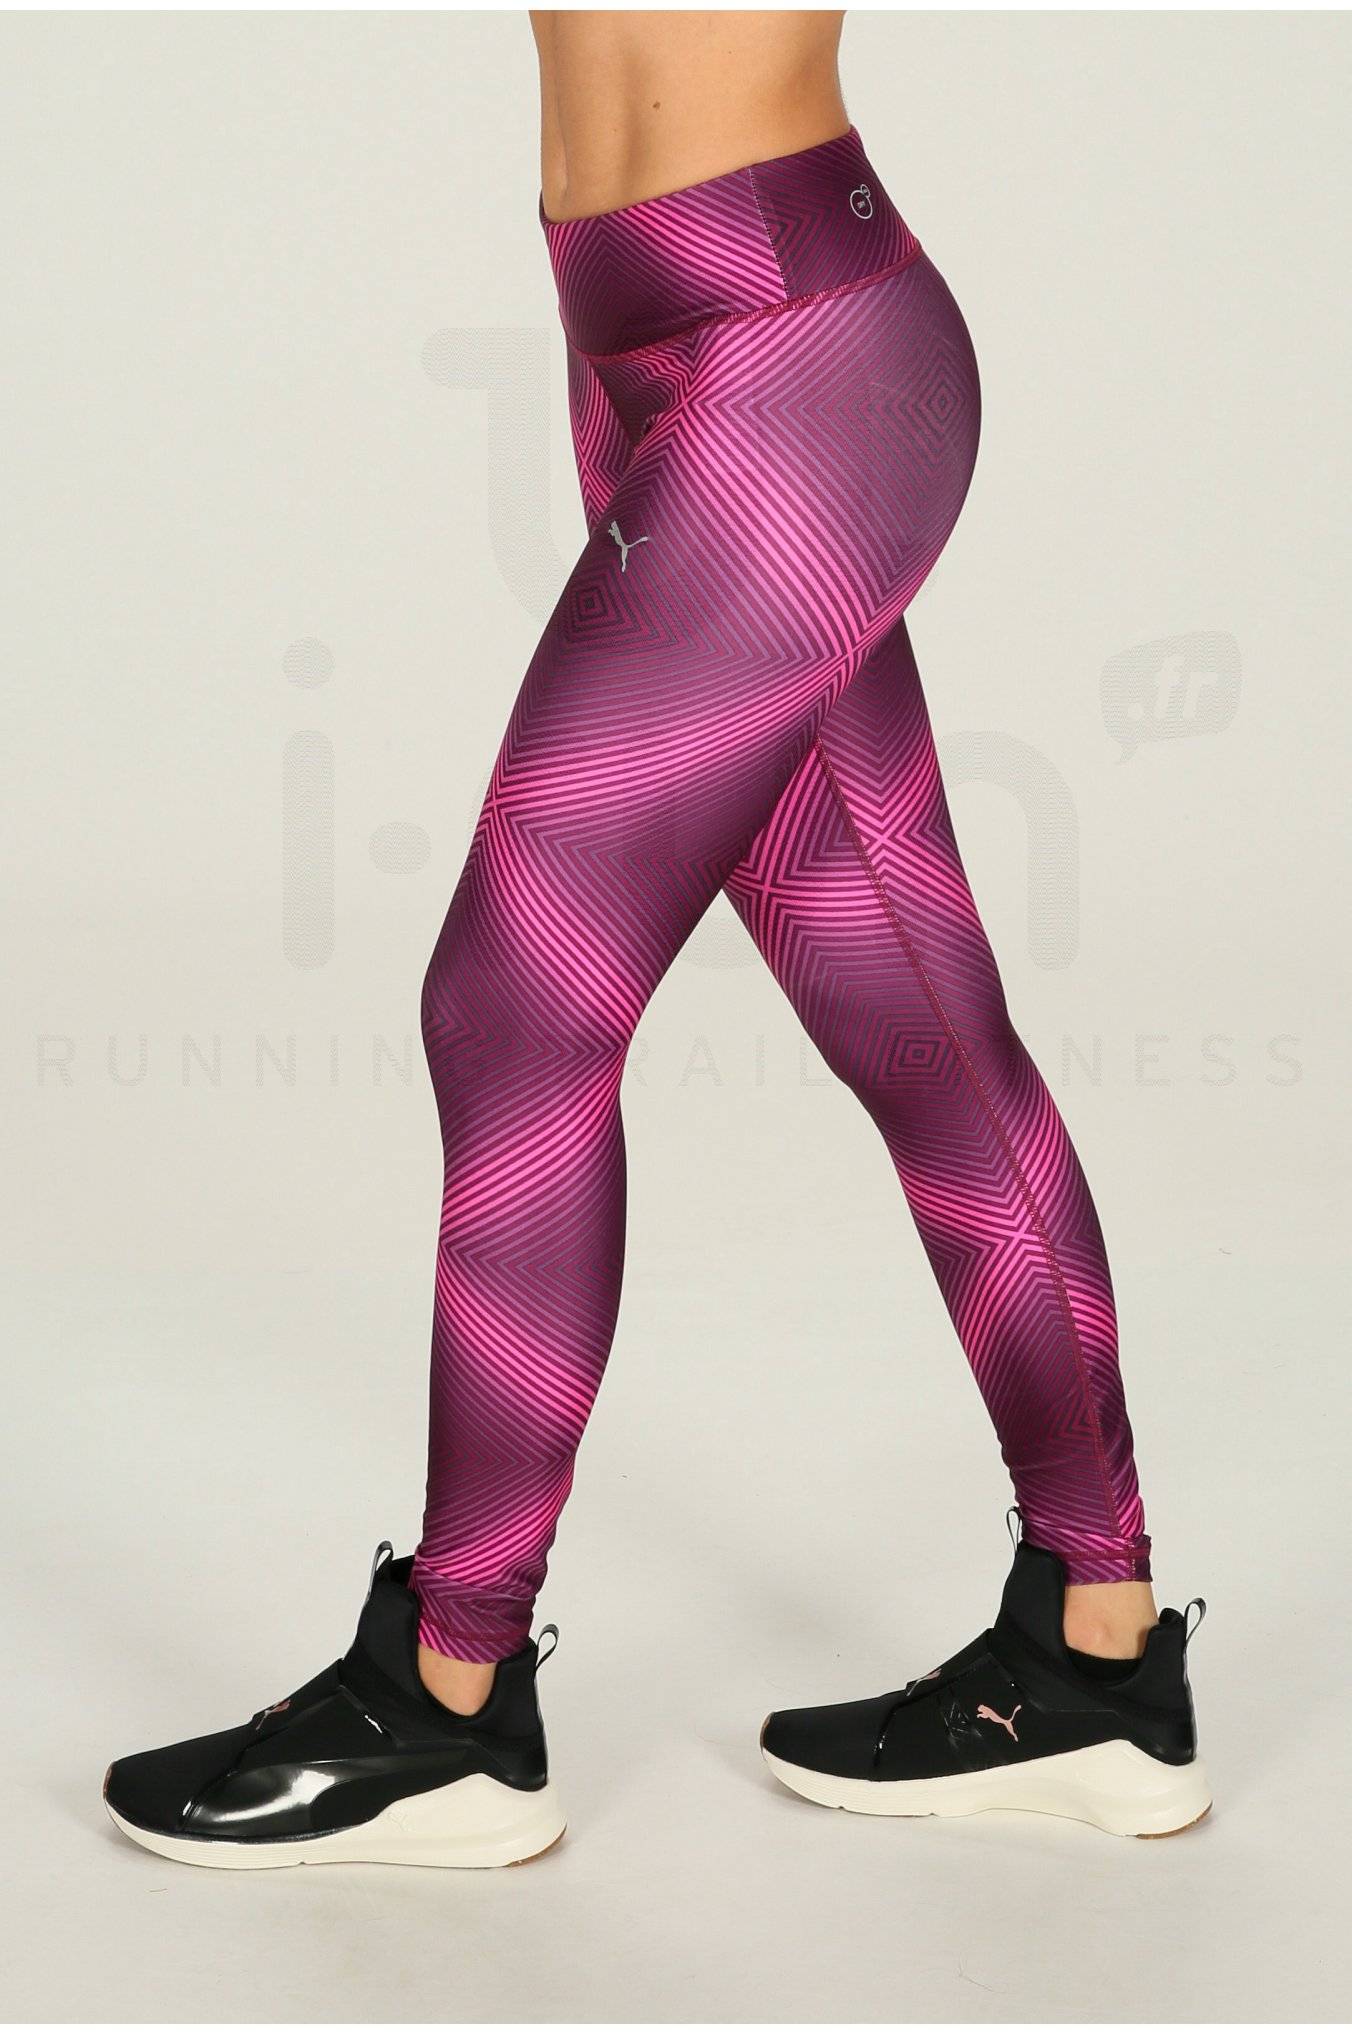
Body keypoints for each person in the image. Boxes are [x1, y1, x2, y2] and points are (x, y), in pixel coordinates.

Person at [103, 10, 1209, 1868]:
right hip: (645, 345)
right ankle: (1097, 1655)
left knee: (513, 999)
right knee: (913, 1016)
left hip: (793, 352)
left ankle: (451, 1692)